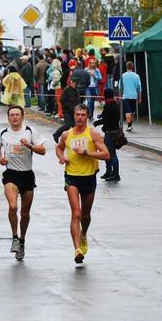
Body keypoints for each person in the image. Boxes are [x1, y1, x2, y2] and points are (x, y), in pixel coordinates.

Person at [55, 104, 110, 264]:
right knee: (76, 213)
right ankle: (77, 249)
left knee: (85, 215)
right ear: (74, 116)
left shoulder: (93, 134)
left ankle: (84, 233)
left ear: (87, 117)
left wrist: (87, 152)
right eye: (77, 115)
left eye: (83, 115)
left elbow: (106, 154)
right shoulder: (67, 134)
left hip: (89, 176)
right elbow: (58, 148)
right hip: (72, 176)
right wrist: (61, 157)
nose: (80, 118)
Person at [0, 105, 46, 260]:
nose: (14, 117)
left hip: (27, 175)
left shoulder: (30, 131)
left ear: (22, 116)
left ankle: (22, 240)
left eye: (17, 114)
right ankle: (14, 237)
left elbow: (43, 150)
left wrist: (29, 146)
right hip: (11, 174)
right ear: (8, 118)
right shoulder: (3, 133)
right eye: (11, 115)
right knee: (13, 206)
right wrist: (0, 158)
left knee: (25, 213)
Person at [93, 88, 121, 182]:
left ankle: (115, 173)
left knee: (110, 154)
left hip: (110, 133)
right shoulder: (115, 104)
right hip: (115, 131)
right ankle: (109, 172)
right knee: (109, 153)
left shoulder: (108, 105)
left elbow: (106, 119)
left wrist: (97, 122)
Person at [53, 78, 80, 144]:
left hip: (74, 111)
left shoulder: (76, 91)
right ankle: (56, 134)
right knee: (67, 125)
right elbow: (62, 100)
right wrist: (69, 107)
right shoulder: (67, 90)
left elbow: (78, 100)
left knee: (75, 126)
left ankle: (75, 140)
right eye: (74, 83)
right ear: (71, 82)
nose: (75, 85)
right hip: (67, 111)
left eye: (76, 84)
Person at [120, 61, 142, 132]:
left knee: (127, 112)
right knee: (132, 112)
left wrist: (120, 95)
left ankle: (129, 126)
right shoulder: (136, 76)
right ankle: (130, 125)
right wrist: (140, 97)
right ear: (132, 67)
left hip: (126, 96)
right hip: (134, 96)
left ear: (126, 67)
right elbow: (139, 88)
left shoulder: (123, 76)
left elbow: (120, 87)